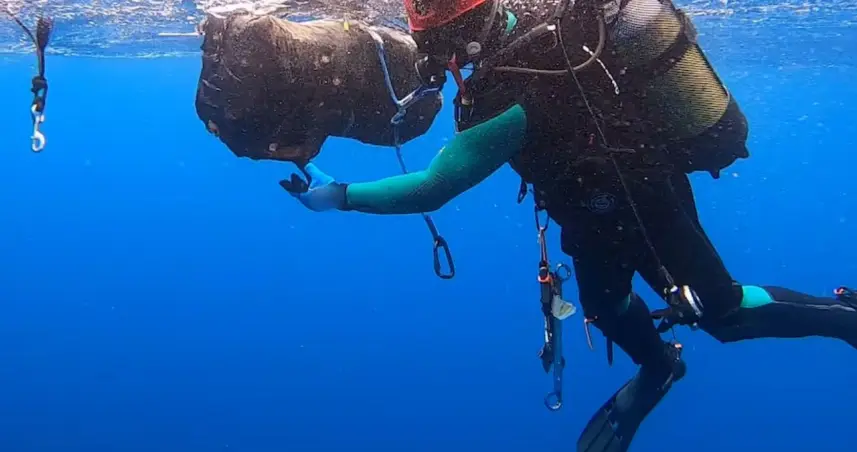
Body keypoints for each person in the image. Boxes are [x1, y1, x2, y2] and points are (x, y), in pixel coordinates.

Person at [279, 0, 857, 450]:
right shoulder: (536, 29)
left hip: (643, 207)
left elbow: (433, 186)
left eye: (439, 47)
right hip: (593, 212)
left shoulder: (511, 89)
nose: (440, 62)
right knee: (605, 307)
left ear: (463, 36)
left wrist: (340, 196)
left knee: (722, 313)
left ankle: (846, 322)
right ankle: (660, 366)